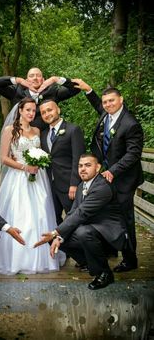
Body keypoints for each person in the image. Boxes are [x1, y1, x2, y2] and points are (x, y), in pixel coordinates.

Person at [0, 97, 66, 274]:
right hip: (18, 177)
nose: (32, 113)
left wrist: (38, 164)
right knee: (19, 214)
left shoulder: (37, 130)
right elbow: (4, 158)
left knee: (40, 214)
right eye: (28, 110)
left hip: (38, 178)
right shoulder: (10, 130)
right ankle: (15, 257)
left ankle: (40, 257)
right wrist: (25, 167)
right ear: (20, 111)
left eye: (34, 111)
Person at [72, 79, 144, 272]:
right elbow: (97, 104)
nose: (108, 104)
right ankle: (110, 248)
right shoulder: (106, 114)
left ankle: (130, 260)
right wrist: (88, 90)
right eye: (105, 102)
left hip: (123, 180)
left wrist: (112, 170)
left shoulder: (131, 124)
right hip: (105, 176)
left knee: (125, 219)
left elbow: (133, 154)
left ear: (121, 100)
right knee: (105, 214)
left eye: (112, 101)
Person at [34, 154, 127, 290]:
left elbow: (81, 213)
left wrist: (57, 232)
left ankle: (104, 273)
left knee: (82, 232)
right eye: (80, 166)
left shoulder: (102, 187)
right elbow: (72, 212)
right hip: (93, 229)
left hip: (109, 234)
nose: (83, 169)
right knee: (54, 237)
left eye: (88, 165)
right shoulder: (81, 185)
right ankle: (88, 262)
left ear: (98, 168)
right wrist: (58, 235)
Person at [39, 99, 86, 225]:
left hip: (68, 185)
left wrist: (74, 184)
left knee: (74, 219)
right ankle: (59, 244)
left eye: (50, 110)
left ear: (58, 110)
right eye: (43, 112)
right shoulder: (43, 134)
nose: (47, 114)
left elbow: (79, 159)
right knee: (53, 220)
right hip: (49, 185)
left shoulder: (73, 130)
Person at [0, 67, 81, 130]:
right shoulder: (17, 92)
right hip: (21, 137)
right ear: (26, 80)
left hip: (46, 140)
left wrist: (55, 79)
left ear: (43, 79)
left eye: (38, 75)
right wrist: (18, 80)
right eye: (31, 76)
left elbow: (77, 87)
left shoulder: (52, 92)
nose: (35, 78)